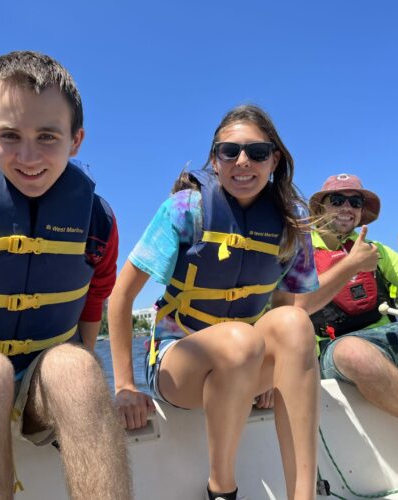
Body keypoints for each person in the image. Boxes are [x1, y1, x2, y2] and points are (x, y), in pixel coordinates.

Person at [0, 51, 131, 499]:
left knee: (80, 367)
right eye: (10, 136)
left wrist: (76, 374)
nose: (28, 156)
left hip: (36, 381)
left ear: (75, 140)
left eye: (47, 136)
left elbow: (95, 295)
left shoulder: (96, 221)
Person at [108, 104, 321, 500]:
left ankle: (303, 495)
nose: (243, 161)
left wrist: (278, 374)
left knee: (295, 324)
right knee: (241, 339)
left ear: (274, 159)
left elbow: (290, 304)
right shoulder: (185, 210)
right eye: (230, 151)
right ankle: (222, 488)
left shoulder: (291, 226)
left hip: (248, 360)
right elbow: (121, 298)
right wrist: (124, 385)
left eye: (257, 152)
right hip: (178, 366)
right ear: (215, 159)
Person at [295, 173, 398, 436]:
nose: (346, 208)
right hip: (336, 346)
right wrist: (352, 264)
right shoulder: (299, 255)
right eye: (337, 200)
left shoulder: (378, 251)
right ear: (319, 208)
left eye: (355, 202)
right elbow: (297, 306)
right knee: (354, 353)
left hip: (391, 336)